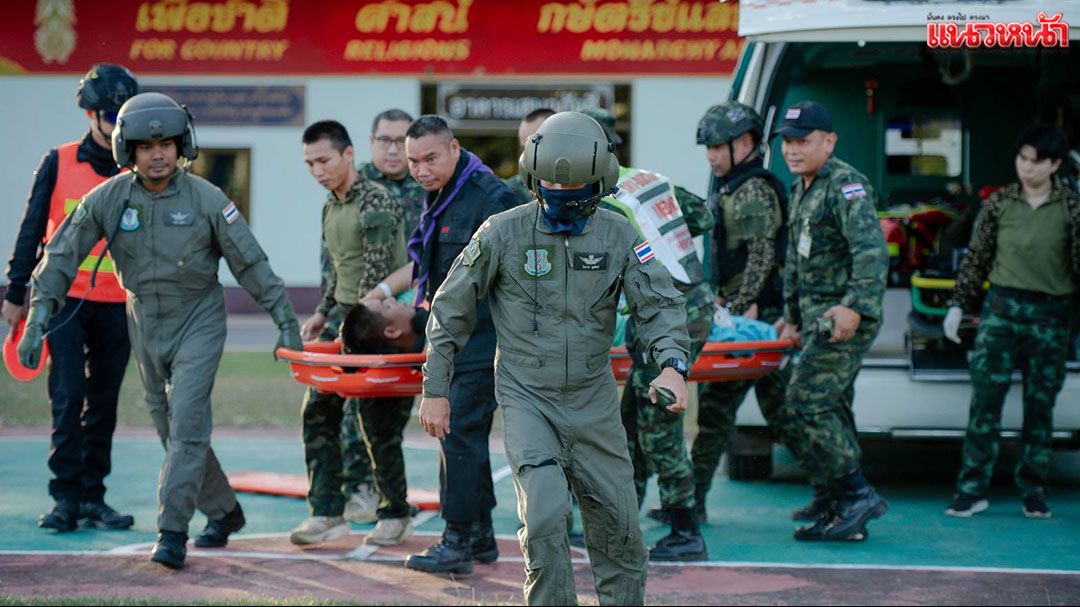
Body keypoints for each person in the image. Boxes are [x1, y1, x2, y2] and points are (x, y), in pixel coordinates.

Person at [18, 92, 302, 568]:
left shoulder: (207, 198)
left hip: (199, 318)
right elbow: (61, 256)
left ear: (182, 145)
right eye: (145, 146)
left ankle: (172, 531)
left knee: (188, 422)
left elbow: (251, 263)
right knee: (172, 429)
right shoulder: (109, 198)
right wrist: (35, 322)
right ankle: (226, 511)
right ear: (127, 149)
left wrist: (286, 322)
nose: (157, 154)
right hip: (143, 321)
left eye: (167, 144)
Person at [422, 111, 691, 604]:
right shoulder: (501, 233)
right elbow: (449, 310)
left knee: (621, 527)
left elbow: (660, 305)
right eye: (548, 183)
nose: (559, 196)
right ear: (531, 174)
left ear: (600, 181)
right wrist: (435, 390)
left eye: (574, 189)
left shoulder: (619, 235)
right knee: (544, 516)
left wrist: (673, 366)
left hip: (593, 401)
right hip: (528, 397)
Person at [363, 115, 519, 573]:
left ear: (454, 148)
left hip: (483, 342)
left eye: (430, 158)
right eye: (413, 161)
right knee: (463, 441)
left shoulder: (493, 198)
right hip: (455, 339)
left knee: (456, 438)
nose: (420, 169)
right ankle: (481, 538)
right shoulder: (442, 194)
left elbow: (510, 279)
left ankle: (456, 542)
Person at [2, 64, 139, 533]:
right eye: (108, 115)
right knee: (67, 398)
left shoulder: (137, 170)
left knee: (102, 403)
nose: (115, 124)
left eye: (123, 115)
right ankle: (64, 499)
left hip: (117, 306)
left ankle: (92, 499)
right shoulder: (58, 162)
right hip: (60, 303)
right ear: (89, 113)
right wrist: (16, 292)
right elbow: (30, 230)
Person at [580, 107, 713, 561]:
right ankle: (622, 522)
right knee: (633, 420)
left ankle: (685, 530)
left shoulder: (603, 201)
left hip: (668, 314)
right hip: (685, 300)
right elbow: (704, 217)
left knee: (659, 426)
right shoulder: (647, 178)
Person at [942, 124, 1080, 519]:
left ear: (1054, 164)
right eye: (1022, 159)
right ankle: (971, 489)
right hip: (1001, 311)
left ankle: (1034, 489)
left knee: (1041, 407)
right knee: (985, 402)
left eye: (1037, 162)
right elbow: (977, 258)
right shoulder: (1000, 203)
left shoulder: (1071, 208)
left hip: (1050, 315)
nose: (1027, 168)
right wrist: (958, 304)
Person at [771, 100, 889, 542]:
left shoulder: (845, 185)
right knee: (832, 405)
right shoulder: (804, 185)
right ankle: (837, 502)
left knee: (806, 401)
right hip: (817, 318)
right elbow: (798, 263)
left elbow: (870, 254)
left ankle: (857, 494)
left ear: (829, 141)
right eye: (788, 142)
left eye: (802, 142)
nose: (793, 150)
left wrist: (854, 306)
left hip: (844, 316)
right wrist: (792, 318)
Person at [293, 120, 413, 546]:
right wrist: (323, 312)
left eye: (324, 160)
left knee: (376, 426)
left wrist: (347, 323)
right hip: (345, 321)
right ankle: (327, 512)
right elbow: (339, 269)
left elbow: (376, 280)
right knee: (318, 415)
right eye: (310, 164)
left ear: (348, 155)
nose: (318, 170)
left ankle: (395, 513)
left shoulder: (376, 201)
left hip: (373, 327)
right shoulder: (332, 204)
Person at [319, 109, 426, 525]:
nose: (394, 149)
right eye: (385, 140)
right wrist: (331, 310)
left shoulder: (427, 185)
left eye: (402, 141)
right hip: (361, 314)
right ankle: (357, 488)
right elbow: (334, 258)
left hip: (407, 317)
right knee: (353, 407)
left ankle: (386, 494)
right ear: (370, 142)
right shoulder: (354, 186)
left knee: (392, 414)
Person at [690, 102, 794, 521]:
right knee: (733, 412)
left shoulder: (752, 189)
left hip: (756, 319)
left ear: (746, 143)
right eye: (708, 148)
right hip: (745, 316)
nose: (712, 156)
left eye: (718, 146)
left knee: (777, 414)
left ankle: (845, 490)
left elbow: (762, 256)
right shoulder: (733, 187)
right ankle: (690, 502)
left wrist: (735, 309)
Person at [504, 108, 556, 203]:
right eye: (524, 148)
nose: (528, 154)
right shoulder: (507, 192)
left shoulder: (580, 186)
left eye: (535, 145)